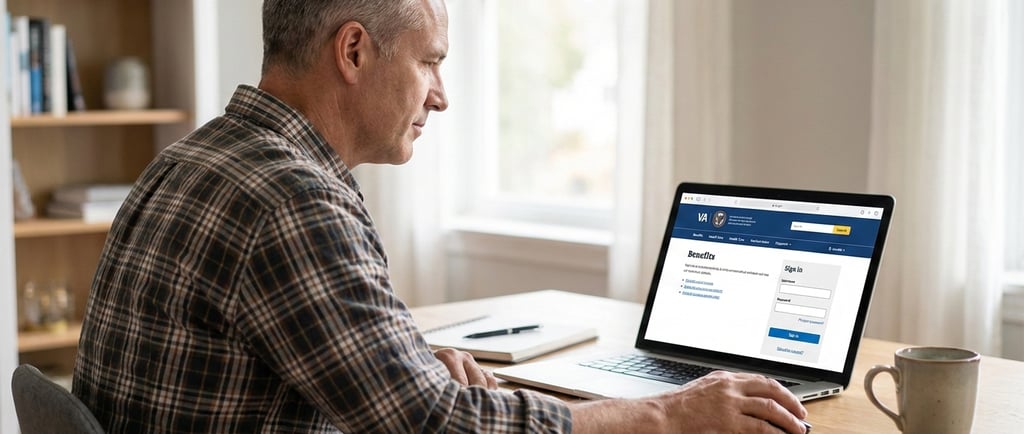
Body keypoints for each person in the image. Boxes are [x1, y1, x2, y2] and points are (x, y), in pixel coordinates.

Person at [72, 0, 809, 432]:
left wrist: (413, 370)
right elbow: (433, 428)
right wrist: (669, 414)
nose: (441, 95)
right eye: (431, 61)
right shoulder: (291, 199)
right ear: (354, 51)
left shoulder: (195, 157)